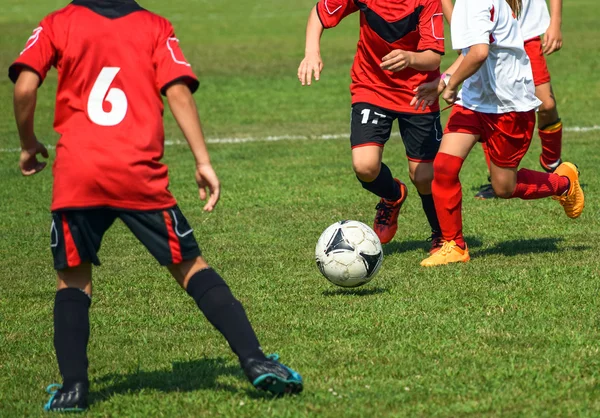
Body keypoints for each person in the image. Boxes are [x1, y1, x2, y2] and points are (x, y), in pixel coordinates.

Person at [9, 0, 302, 412]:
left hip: (79, 175)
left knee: (73, 281)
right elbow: (178, 91)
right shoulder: (154, 26)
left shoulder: (59, 22)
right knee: (190, 268)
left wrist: (27, 144)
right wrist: (202, 161)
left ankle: (74, 388)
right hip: (138, 173)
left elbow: (24, 85)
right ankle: (254, 361)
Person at [412, 0, 584, 267]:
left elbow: (479, 53)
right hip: (474, 101)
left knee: (504, 187)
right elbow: (471, 51)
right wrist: (444, 81)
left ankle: (564, 183)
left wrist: (451, 84)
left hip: (509, 107)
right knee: (444, 166)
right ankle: (454, 245)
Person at [298, 0, 446, 254]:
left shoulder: (426, 1)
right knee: (365, 166)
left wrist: (410, 57)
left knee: (423, 176)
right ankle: (392, 194)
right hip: (371, 87)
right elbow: (320, 13)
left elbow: (433, 57)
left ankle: (441, 235)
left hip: (418, 91)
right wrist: (312, 51)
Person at [442, 0, 565, 200]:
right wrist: (464, 31)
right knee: (488, 103)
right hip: (491, 38)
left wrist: (555, 22)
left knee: (546, 105)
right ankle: (497, 175)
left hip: (526, 35)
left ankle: (553, 164)